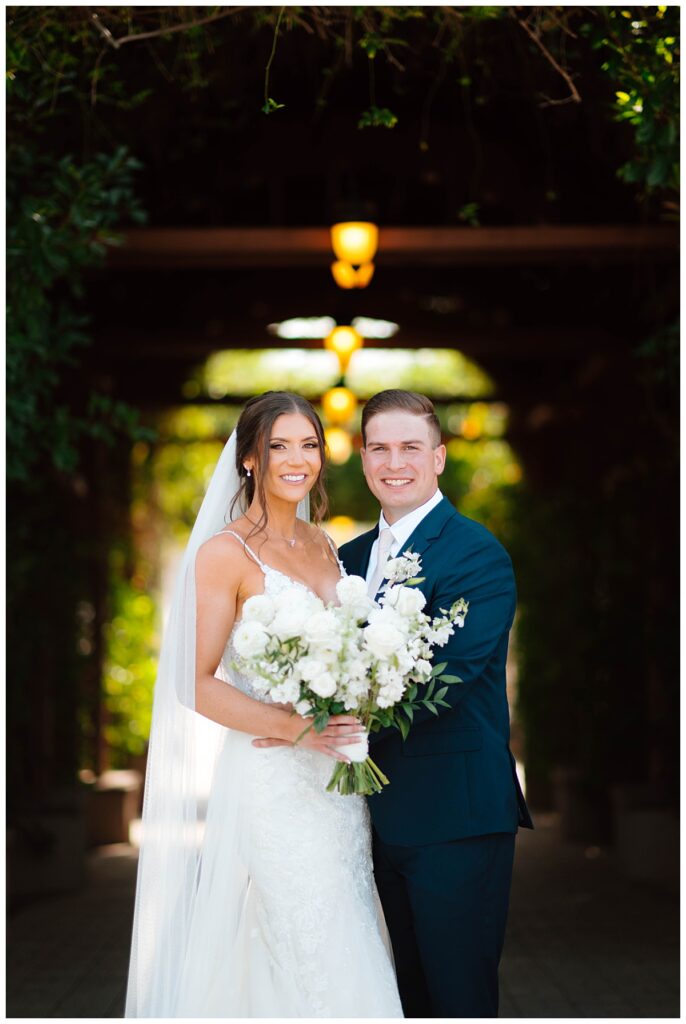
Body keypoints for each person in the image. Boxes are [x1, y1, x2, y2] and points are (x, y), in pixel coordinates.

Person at [125, 391, 403, 1018]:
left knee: (349, 919)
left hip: (337, 785)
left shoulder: (323, 545)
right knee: (306, 937)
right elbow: (193, 682)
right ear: (250, 458)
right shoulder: (225, 554)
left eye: (309, 444)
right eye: (279, 446)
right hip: (273, 776)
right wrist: (296, 727)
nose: (296, 459)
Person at [337, 389, 534, 1018]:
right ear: (363, 458)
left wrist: (326, 726)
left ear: (439, 457)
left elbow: (444, 679)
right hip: (369, 822)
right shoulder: (345, 560)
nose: (395, 462)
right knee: (403, 1000)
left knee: (457, 999)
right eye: (380, 448)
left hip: (456, 817)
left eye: (410, 448)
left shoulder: (478, 555)